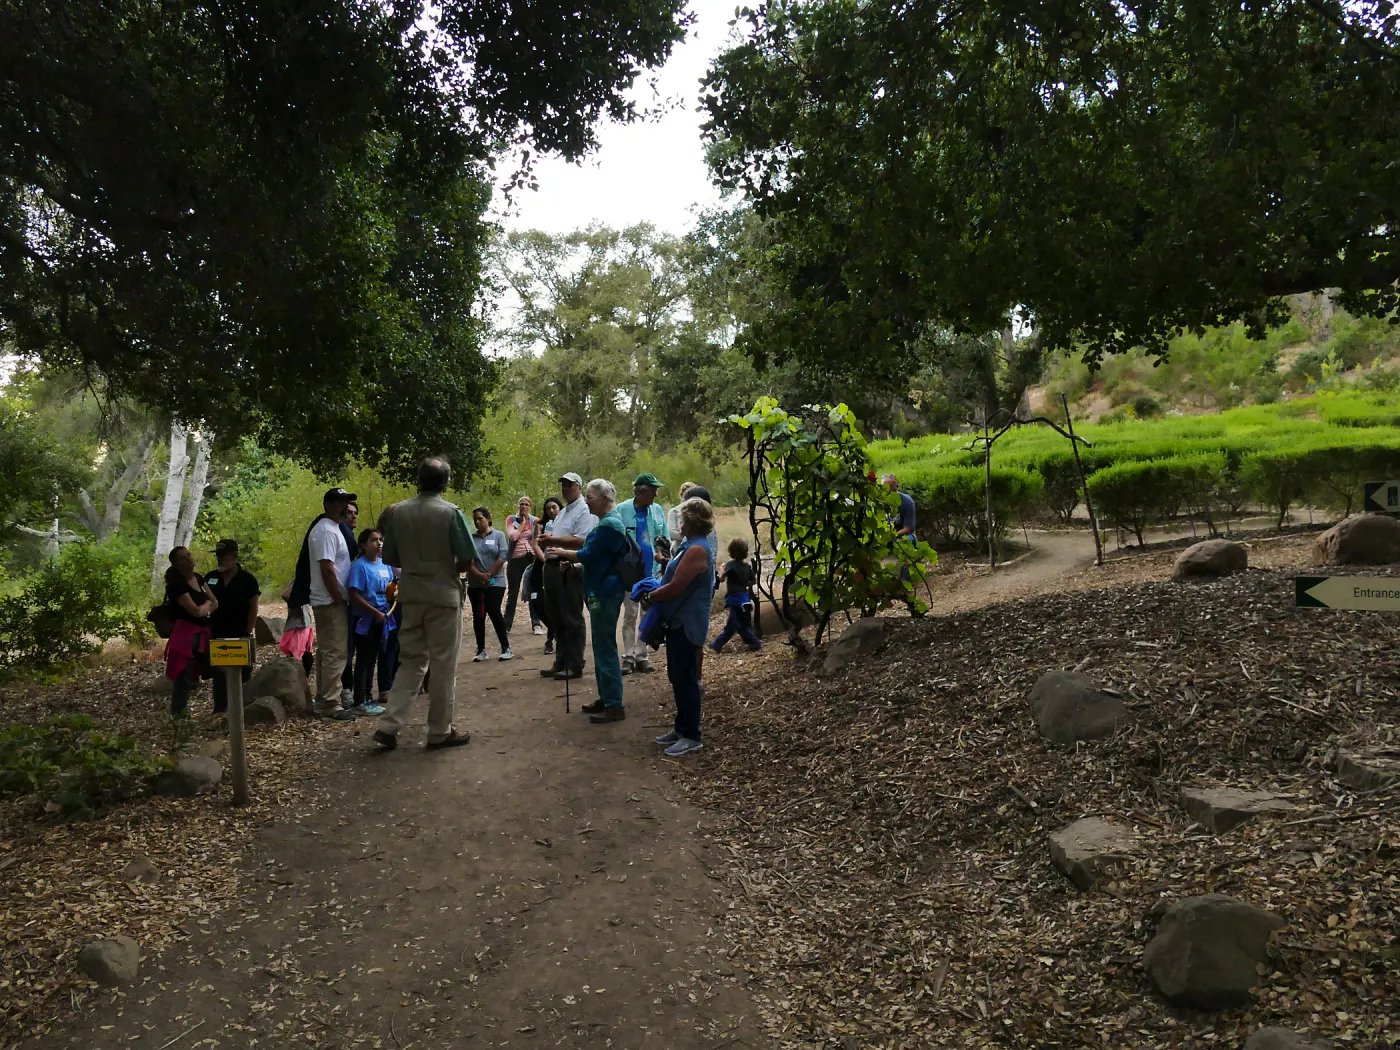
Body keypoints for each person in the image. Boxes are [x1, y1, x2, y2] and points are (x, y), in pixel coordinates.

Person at [372, 456, 475, 750]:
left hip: (411, 595)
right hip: (443, 595)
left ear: (418, 480)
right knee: (443, 664)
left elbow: (390, 557)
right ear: (445, 482)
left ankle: (389, 725)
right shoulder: (450, 512)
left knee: (411, 661)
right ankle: (440, 731)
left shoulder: (399, 513)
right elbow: (466, 559)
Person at [644, 497, 716, 756]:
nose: (679, 523)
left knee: (686, 678)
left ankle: (692, 735)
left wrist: (651, 597)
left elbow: (676, 587)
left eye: (683, 518)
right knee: (677, 675)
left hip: (688, 622)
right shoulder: (691, 546)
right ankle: (681, 727)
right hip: (678, 621)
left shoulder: (698, 549)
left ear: (693, 520)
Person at [554, 479, 628, 723]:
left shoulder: (610, 525)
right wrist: (575, 565)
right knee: (600, 645)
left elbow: (590, 553)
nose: (587, 500)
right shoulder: (607, 523)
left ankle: (614, 703)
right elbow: (597, 559)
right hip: (601, 590)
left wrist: (563, 552)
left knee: (605, 646)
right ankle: (606, 697)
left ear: (605, 498)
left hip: (606, 593)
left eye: (591, 496)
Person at [289, 486, 358, 721]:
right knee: (335, 653)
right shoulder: (325, 531)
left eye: (347, 503)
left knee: (328, 650)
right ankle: (330, 704)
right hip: (330, 601)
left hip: (330, 599)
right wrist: (339, 598)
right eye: (340, 503)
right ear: (328, 504)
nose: (345, 508)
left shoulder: (333, 529)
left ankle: (324, 698)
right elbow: (327, 569)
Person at [538, 472, 597, 680]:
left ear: (578, 487)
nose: (565, 489)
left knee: (572, 615)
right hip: (552, 565)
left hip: (569, 564)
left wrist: (554, 540)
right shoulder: (563, 512)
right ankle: (561, 659)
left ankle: (575, 662)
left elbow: (582, 540)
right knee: (556, 616)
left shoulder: (584, 510)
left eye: (569, 485)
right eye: (563, 485)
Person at [616, 473, 668, 675]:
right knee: (630, 614)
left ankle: (641, 656)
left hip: (651, 572)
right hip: (630, 572)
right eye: (653, 490)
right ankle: (628, 656)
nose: (656, 494)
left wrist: (661, 555)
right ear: (640, 491)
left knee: (648, 614)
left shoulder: (656, 510)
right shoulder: (622, 510)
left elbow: (662, 538)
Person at [202, 539, 260, 713]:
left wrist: (248, 632)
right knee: (219, 674)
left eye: (223, 555)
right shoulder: (210, 578)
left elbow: (253, 607)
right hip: (216, 633)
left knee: (242, 674)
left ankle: (242, 710)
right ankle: (220, 709)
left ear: (234, 556)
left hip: (240, 633)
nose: (219, 559)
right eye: (217, 555)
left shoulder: (247, 579)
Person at [163, 546, 216, 718]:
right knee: (183, 675)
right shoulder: (176, 586)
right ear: (176, 565)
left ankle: (221, 707)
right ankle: (179, 716)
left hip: (204, 633)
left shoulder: (199, 578)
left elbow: (215, 602)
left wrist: (207, 607)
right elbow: (195, 611)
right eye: (183, 558)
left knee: (217, 670)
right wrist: (207, 606)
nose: (188, 559)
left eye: (189, 555)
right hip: (185, 635)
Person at [347, 528, 396, 715]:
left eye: (381, 539)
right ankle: (360, 700)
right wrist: (374, 612)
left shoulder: (385, 564)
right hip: (365, 619)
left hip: (383, 618)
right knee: (363, 659)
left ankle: (368, 697)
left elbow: (392, 587)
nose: (379, 543)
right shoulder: (359, 566)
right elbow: (354, 594)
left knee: (373, 658)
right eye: (374, 540)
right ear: (363, 545)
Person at [467, 506, 512, 662]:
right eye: (475, 520)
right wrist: (479, 575)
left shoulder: (498, 535)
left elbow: (503, 555)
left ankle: (506, 647)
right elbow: (467, 560)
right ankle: (481, 650)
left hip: (496, 581)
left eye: (480, 518)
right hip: (475, 583)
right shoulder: (470, 538)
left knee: (493, 610)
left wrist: (489, 574)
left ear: (488, 518)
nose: (477, 522)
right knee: (479, 615)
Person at [709, 537, 762, 653]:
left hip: (734, 599)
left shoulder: (731, 565)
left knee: (739, 626)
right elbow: (753, 581)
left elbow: (722, 579)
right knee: (732, 624)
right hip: (744, 597)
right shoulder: (747, 567)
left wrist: (721, 571)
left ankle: (754, 643)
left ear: (731, 552)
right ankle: (717, 644)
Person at [882, 472, 920, 613]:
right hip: (884, 538)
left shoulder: (906, 501)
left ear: (897, 486)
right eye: (885, 487)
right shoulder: (878, 503)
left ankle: (905, 584)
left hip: (903, 535)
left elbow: (909, 528)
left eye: (891, 486)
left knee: (906, 545)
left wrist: (892, 536)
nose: (889, 490)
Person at [529, 497, 563, 656]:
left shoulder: (564, 524)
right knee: (536, 602)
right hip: (540, 566)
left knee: (554, 603)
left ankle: (551, 638)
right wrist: (544, 560)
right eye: (548, 508)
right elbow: (535, 544)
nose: (551, 511)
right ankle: (554, 629)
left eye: (554, 507)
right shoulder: (539, 524)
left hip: (558, 565)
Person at [504, 496, 540, 635]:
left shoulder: (535, 521)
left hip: (531, 558)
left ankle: (536, 624)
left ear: (530, 506)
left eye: (526, 504)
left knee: (533, 590)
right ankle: (507, 625)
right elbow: (513, 536)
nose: (523, 507)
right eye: (521, 504)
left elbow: (538, 538)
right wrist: (522, 524)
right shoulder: (511, 519)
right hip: (515, 559)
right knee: (513, 591)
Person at [339, 501, 361, 705]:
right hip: (341, 598)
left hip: (351, 598)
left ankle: (349, 688)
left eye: (355, 513)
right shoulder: (341, 533)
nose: (353, 516)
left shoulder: (350, 536)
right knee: (344, 647)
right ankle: (345, 689)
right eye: (348, 513)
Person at [278, 582, 316, 680]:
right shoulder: (299, 580)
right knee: (294, 655)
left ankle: (303, 680)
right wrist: (298, 606)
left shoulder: (305, 578)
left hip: (304, 621)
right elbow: (285, 595)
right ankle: (294, 681)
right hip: (298, 623)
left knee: (306, 653)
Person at [666, 481, 698, 547]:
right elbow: (671, 533)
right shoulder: (674, 511)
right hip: (678, 549)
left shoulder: (699, 511)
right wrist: (691, 536)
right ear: (681, 495)